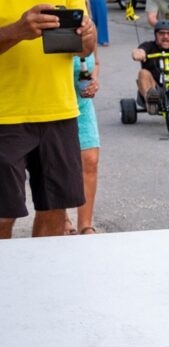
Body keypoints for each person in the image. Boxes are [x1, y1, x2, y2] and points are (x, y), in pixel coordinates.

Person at [0, 0, 97, 240]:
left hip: (58, 113)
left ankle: (42, 291)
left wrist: (87, 38)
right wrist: (15, 30)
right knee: (2, 217)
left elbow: (83, 46)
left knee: (55, 212)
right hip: (5, 117)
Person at [64, 53, 101, 235]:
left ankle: (85, 224)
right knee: (58, 164)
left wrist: (94, 78)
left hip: (82, 104)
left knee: (90, 161)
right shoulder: (48, 26)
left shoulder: (88, 27)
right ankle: (61, 218)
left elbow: (97, 61)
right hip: (56, 105)